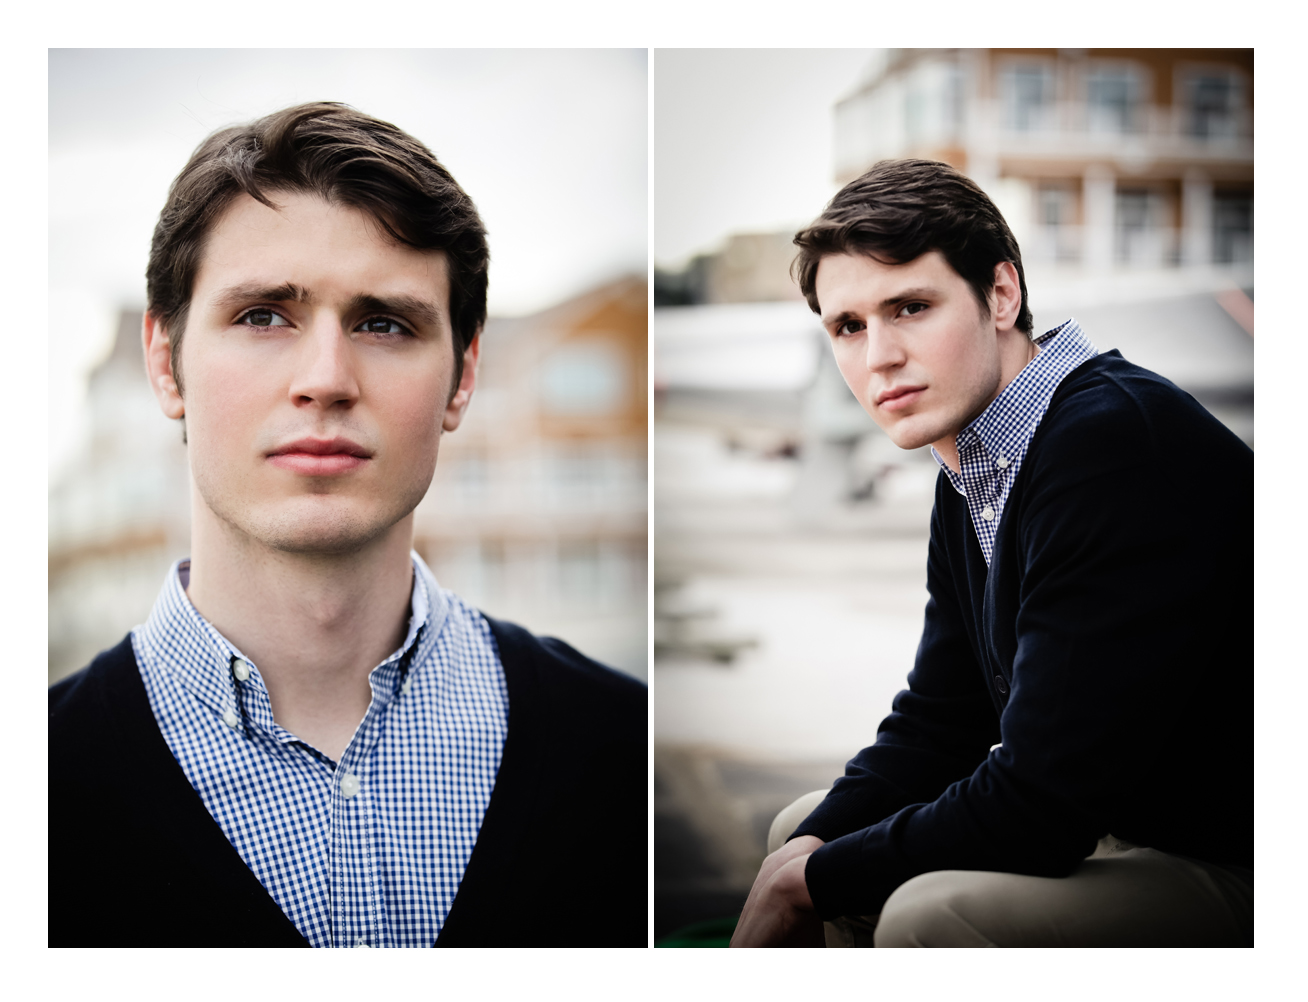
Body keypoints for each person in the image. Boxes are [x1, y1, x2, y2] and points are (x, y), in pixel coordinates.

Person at [48, 103, 646, 948]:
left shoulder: (627, 753)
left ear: (462, 376)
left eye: (384, 323)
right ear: (163, 361)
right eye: (262, 316)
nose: (325, 378)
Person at [730, 159, 1252, 948]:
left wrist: (815, 882)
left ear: (1000, 294)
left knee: (927, 918)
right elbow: (943, 719)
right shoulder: (976, 458)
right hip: (1114, 818)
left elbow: (1041, 804)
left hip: (1234, 856)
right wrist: (806, 860)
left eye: (910, 307)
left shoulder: (1110, 447)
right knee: (799, 831)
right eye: (849, 326)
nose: (879, 358)